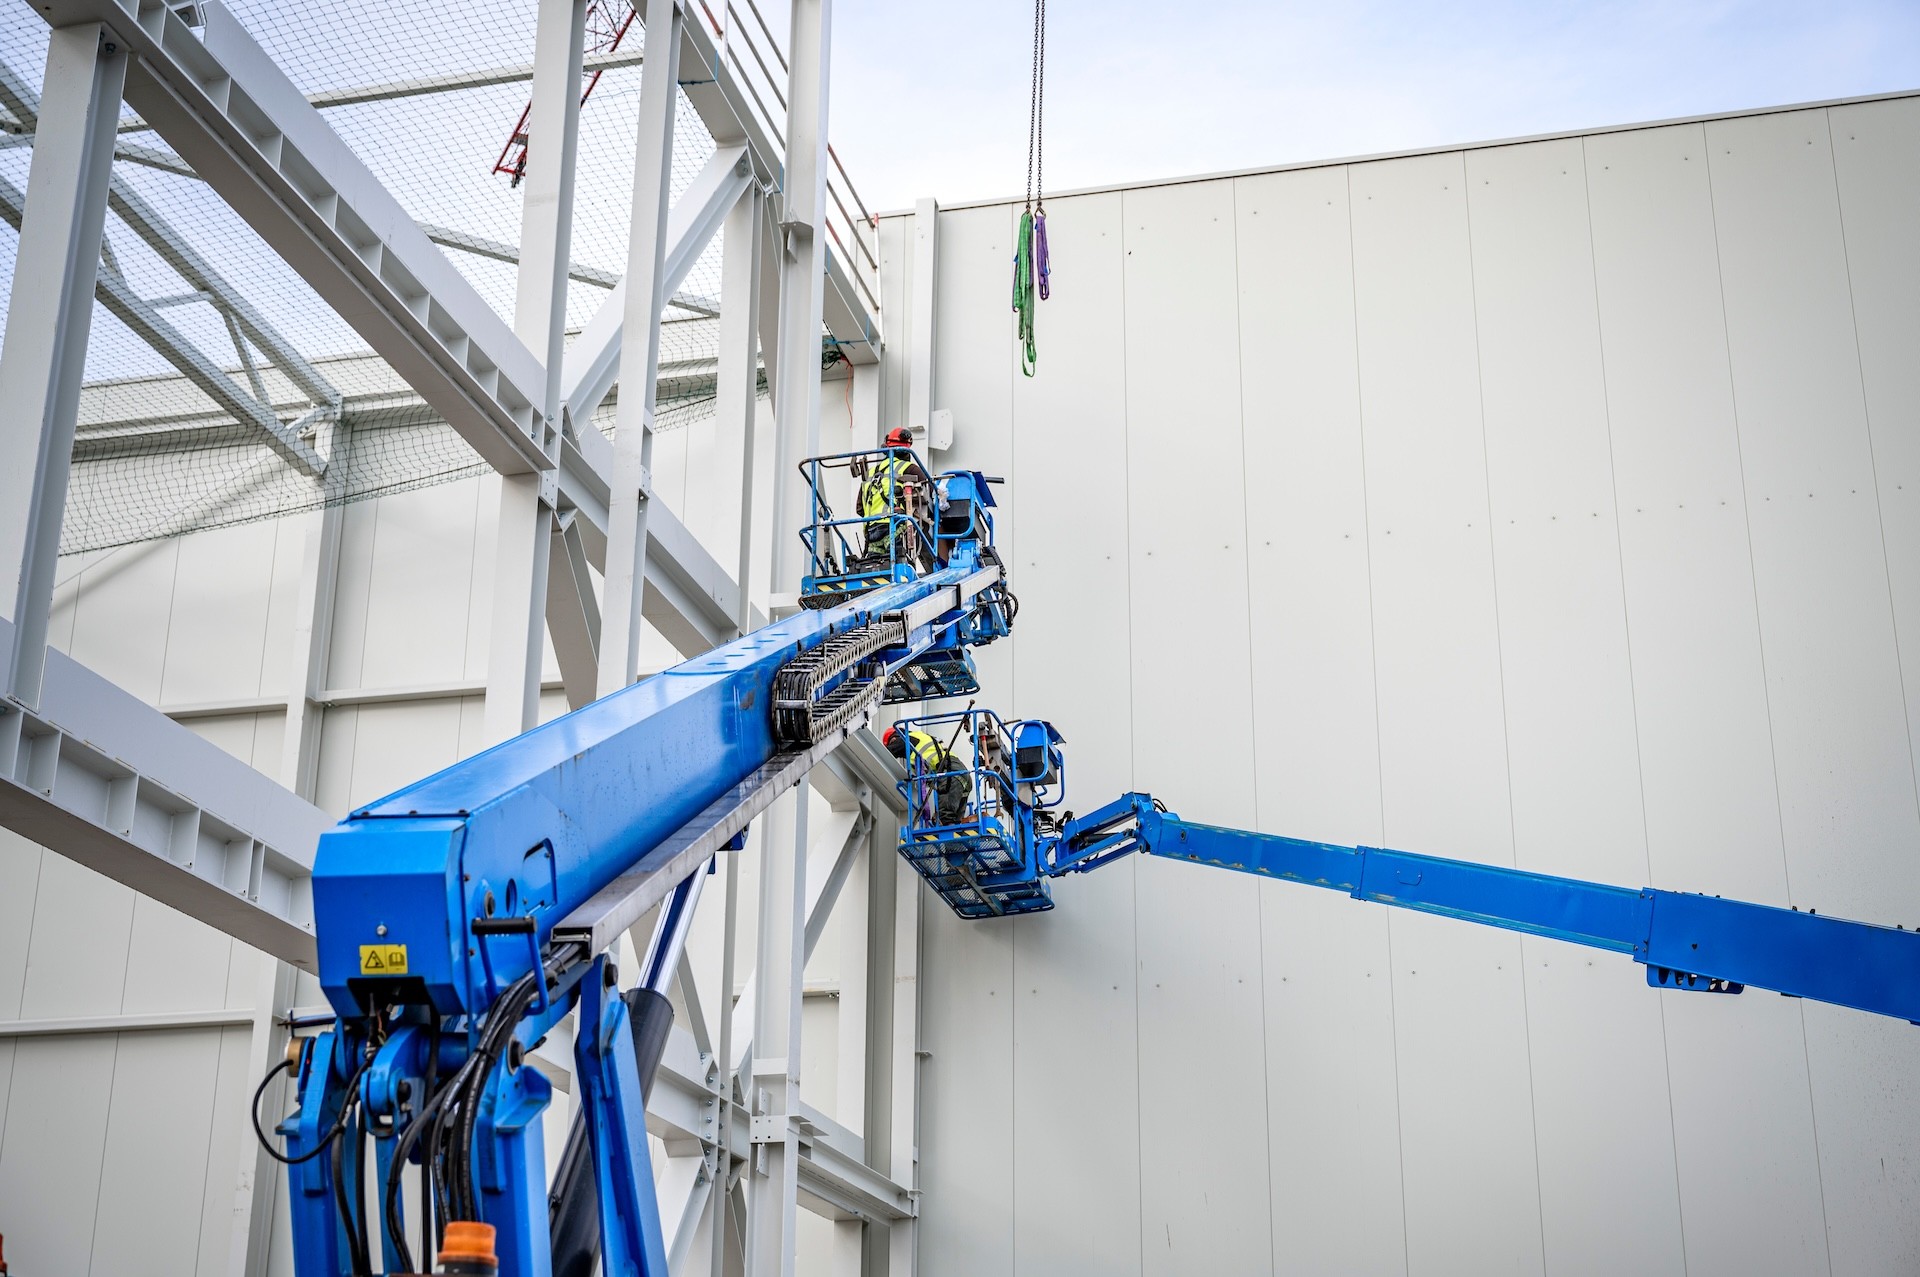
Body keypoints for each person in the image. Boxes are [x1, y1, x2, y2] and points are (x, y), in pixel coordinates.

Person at [859, 427, 931, 570]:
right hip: (895, 526)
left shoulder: (870, 473)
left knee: (875, 569)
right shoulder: (909, 468)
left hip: (871, 532)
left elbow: (859, 508)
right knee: (901, 568)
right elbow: (929, 494)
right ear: (907, 450)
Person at [883, 723, 971, 826]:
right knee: (954, 822)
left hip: (951, 773)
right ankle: (955, 838)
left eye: (892, 742)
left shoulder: (908, 739)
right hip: (962, 775)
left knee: (945, 819)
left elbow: (889, 751)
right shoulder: (920, 739)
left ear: (894, 737)